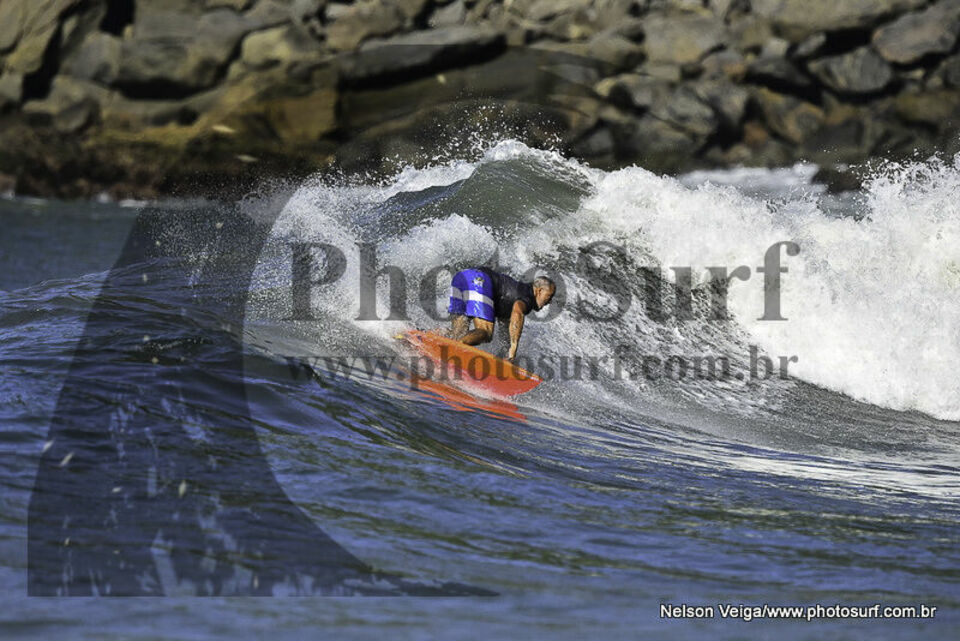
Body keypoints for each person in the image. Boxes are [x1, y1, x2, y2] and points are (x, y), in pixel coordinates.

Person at [444, 267, 556, 362]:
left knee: (457, 334)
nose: (549, 301)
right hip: (479, 279)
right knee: (486, 332)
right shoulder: (527, 296)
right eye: (549, 296)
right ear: (540, 291)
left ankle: (436, 336)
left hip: (462, 277)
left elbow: (507, 329)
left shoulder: (510, 296)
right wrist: (513, 347)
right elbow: (518, 311)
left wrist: (506, 357)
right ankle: (455, 349)